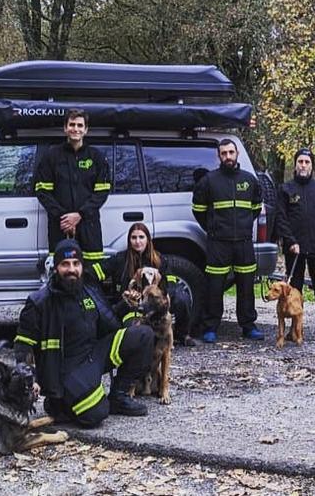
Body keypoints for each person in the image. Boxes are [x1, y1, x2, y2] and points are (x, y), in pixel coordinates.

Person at [13, 239, 155, 427]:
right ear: (56, 268)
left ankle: (118, 397)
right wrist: (31, 380)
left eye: (76, 264)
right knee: (95, 415)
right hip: (68, 370)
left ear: (81, 266)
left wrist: (124, 304)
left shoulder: (88, 289)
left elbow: (107, 323)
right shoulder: (39, 302)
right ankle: (59, 402)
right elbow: (23, 346)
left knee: (144, 335)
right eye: (65, 264)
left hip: (95, 354)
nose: (71, 269)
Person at [191, 139, 264, 343]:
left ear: (237, 153)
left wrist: (243, 225)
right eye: (224, 153)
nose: (228, 157)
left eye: (231, 152)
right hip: (218, 243)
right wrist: (213, 229)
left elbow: (256, 208)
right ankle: (211, 327)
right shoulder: (209, 181)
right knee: (214, 286)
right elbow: (198, 211)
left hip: (243, 242)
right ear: (218, 156)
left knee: (246, 286)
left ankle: (248, 326)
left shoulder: (250, 180)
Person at [33, 108, 111, 279]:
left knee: (91, 272)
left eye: (80, 125)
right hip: (60, 225)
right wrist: (64, 217)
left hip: (89, 225)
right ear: (65, 128)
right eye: (72, 124)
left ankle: (89, 303)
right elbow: (42, 191)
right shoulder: (51, 156)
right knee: (61, 271)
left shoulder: (96, 157)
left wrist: (80, 215)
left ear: (86, 130)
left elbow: (102, 192)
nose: (76, 129)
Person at [96, 222, 199, 347]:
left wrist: (164, 295)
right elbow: (98, 270)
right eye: (134, 238)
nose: (137, 241)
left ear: (148, 240)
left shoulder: (158, 259)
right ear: (129, 240)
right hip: (131, 306)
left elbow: (170, 281)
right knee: (133, 333)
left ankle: (182, 335)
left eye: (141, 237)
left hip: (155, 304)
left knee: (182, 298)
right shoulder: (120, 259)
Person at [275, 148, 315, 339]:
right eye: (300, 161)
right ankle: (294, 328)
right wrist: (290, 241)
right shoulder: (285, 189)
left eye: (307, 162)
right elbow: (281, 218)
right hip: (294, 249)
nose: (303, 165)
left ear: (312, 165)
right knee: (293, 288)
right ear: (295, 164)